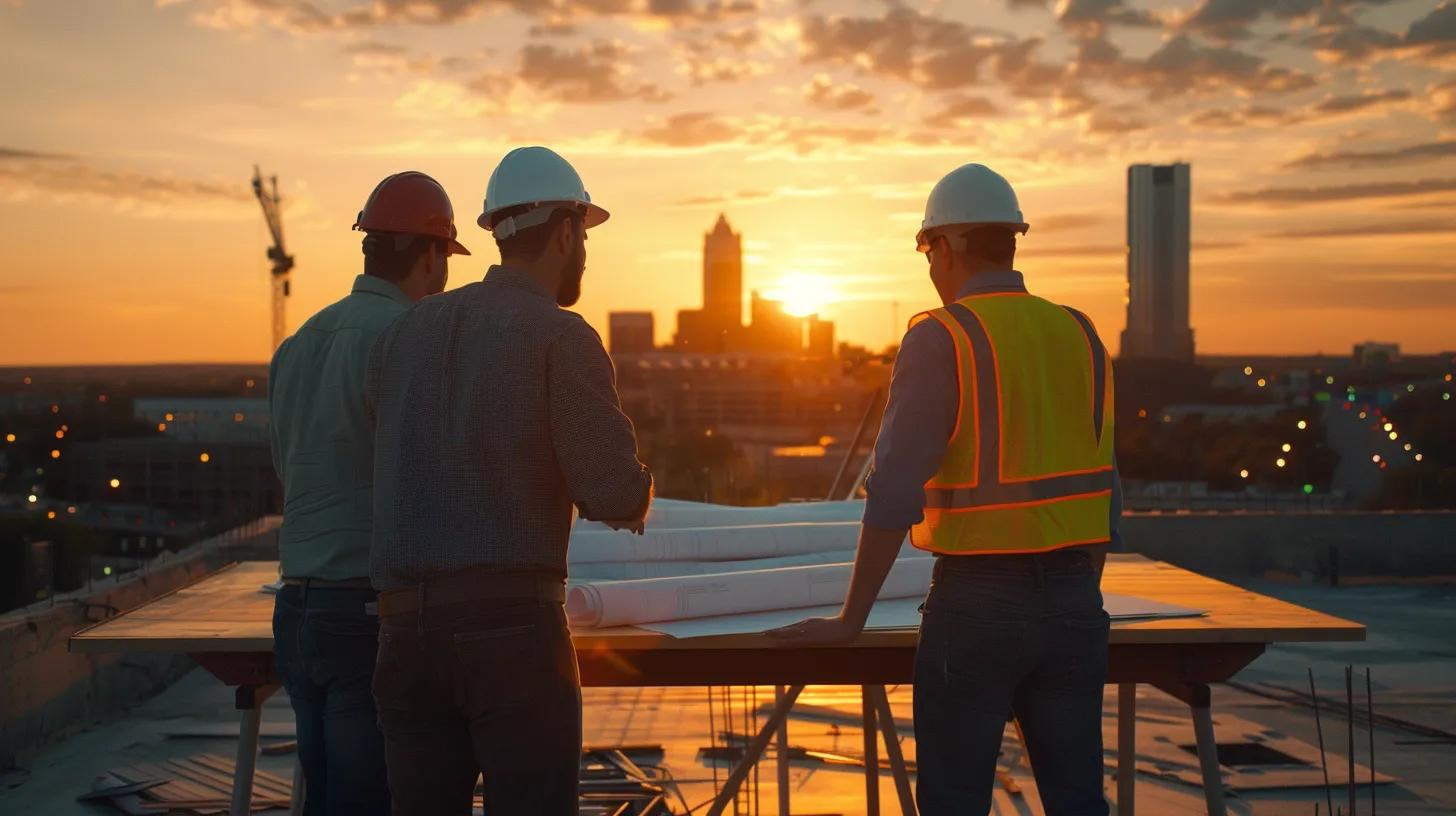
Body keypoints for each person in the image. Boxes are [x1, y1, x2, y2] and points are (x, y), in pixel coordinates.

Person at [770, 163, 1120, 815]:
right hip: (1076, 598)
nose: (929, 268)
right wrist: (1075, 589)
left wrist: (852, 620)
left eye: (928, 250)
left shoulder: (943, 335)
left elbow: (894, 491)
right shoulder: (1080, 332)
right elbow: (1103, 489)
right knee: (1078, 803)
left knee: (955, 803)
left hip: (978, 603)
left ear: (949, 245)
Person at [365, 145, 653, 815]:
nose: (585, 251)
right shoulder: (559, 336)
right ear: (562, 232)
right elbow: (613, 492)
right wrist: (640, 484)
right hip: (512, 637)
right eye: (584, 234)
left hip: (402, 634)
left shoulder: (402, 336)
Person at [267, 171, 468, 815]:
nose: (446, 276)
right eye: (446, 258)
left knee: (325, 794)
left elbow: (288, 471)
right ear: (429, 252)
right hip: (363, 611)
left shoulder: (300, 344)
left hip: (297, 609)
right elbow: (428, 479)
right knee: (368, 800)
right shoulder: (409, 337)